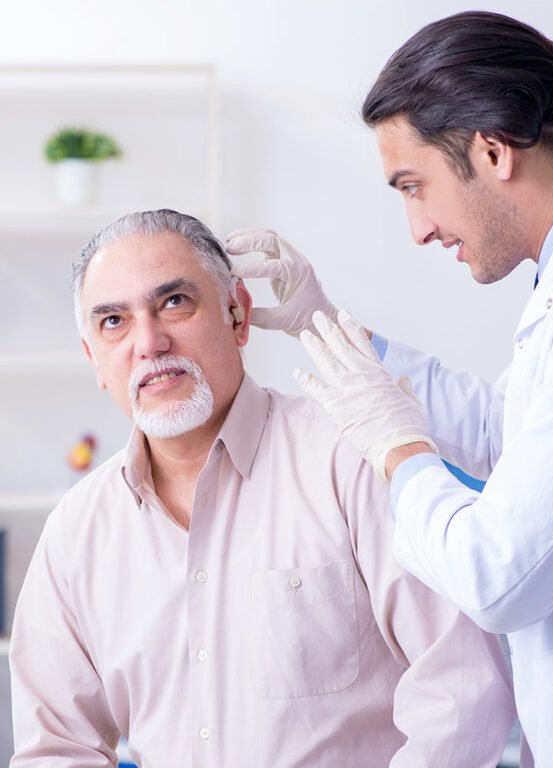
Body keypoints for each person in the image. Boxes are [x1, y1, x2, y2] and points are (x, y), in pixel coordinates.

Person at [227, 10, 553, 768]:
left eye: (414, 186)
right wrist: (324, 324)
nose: (417, 227)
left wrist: (398, 449)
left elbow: (498, 574)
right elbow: (504, 432)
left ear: (490, 149)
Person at [8, 209, 517, 767]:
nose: (149, 342)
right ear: (95, 362)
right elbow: (56, 747)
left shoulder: (349, 455)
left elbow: (463, 688)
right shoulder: (77, 532)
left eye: (174, 302)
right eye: (113, 322)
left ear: (238, 317)